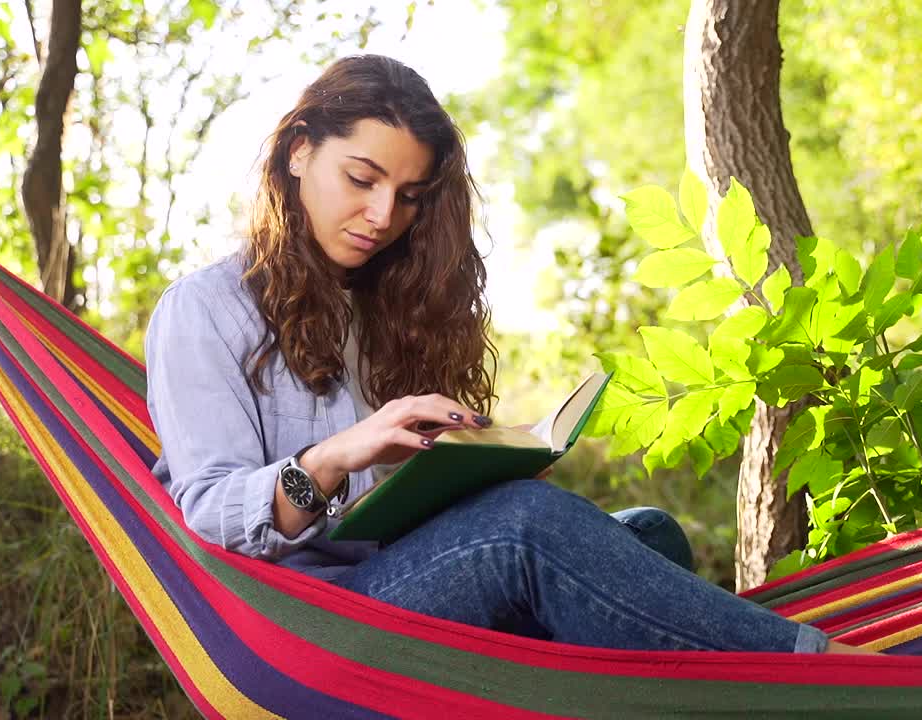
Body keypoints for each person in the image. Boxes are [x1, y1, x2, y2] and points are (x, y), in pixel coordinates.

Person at [145, 54, 869, 656]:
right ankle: (831, 673)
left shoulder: (375, 306)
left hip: (399, 578)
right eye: (362, 180)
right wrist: (341, 453)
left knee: (648, 533)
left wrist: (475, 461)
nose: (382, 216)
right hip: (312, 627)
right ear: (299, 149)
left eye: (408, 197)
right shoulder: (204, 311)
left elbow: (393, 511)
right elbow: (207, 514)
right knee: (530, 527)